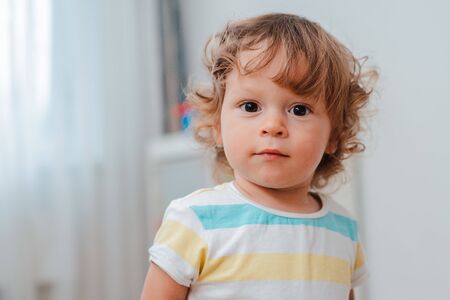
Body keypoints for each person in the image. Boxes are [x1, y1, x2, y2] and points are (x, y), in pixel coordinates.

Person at [140, 13, 377, 300]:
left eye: (299, 110)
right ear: (217, 127)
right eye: (250, 106)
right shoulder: (195, 219)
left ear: (333, 137)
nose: (273, 126)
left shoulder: (343, 230)